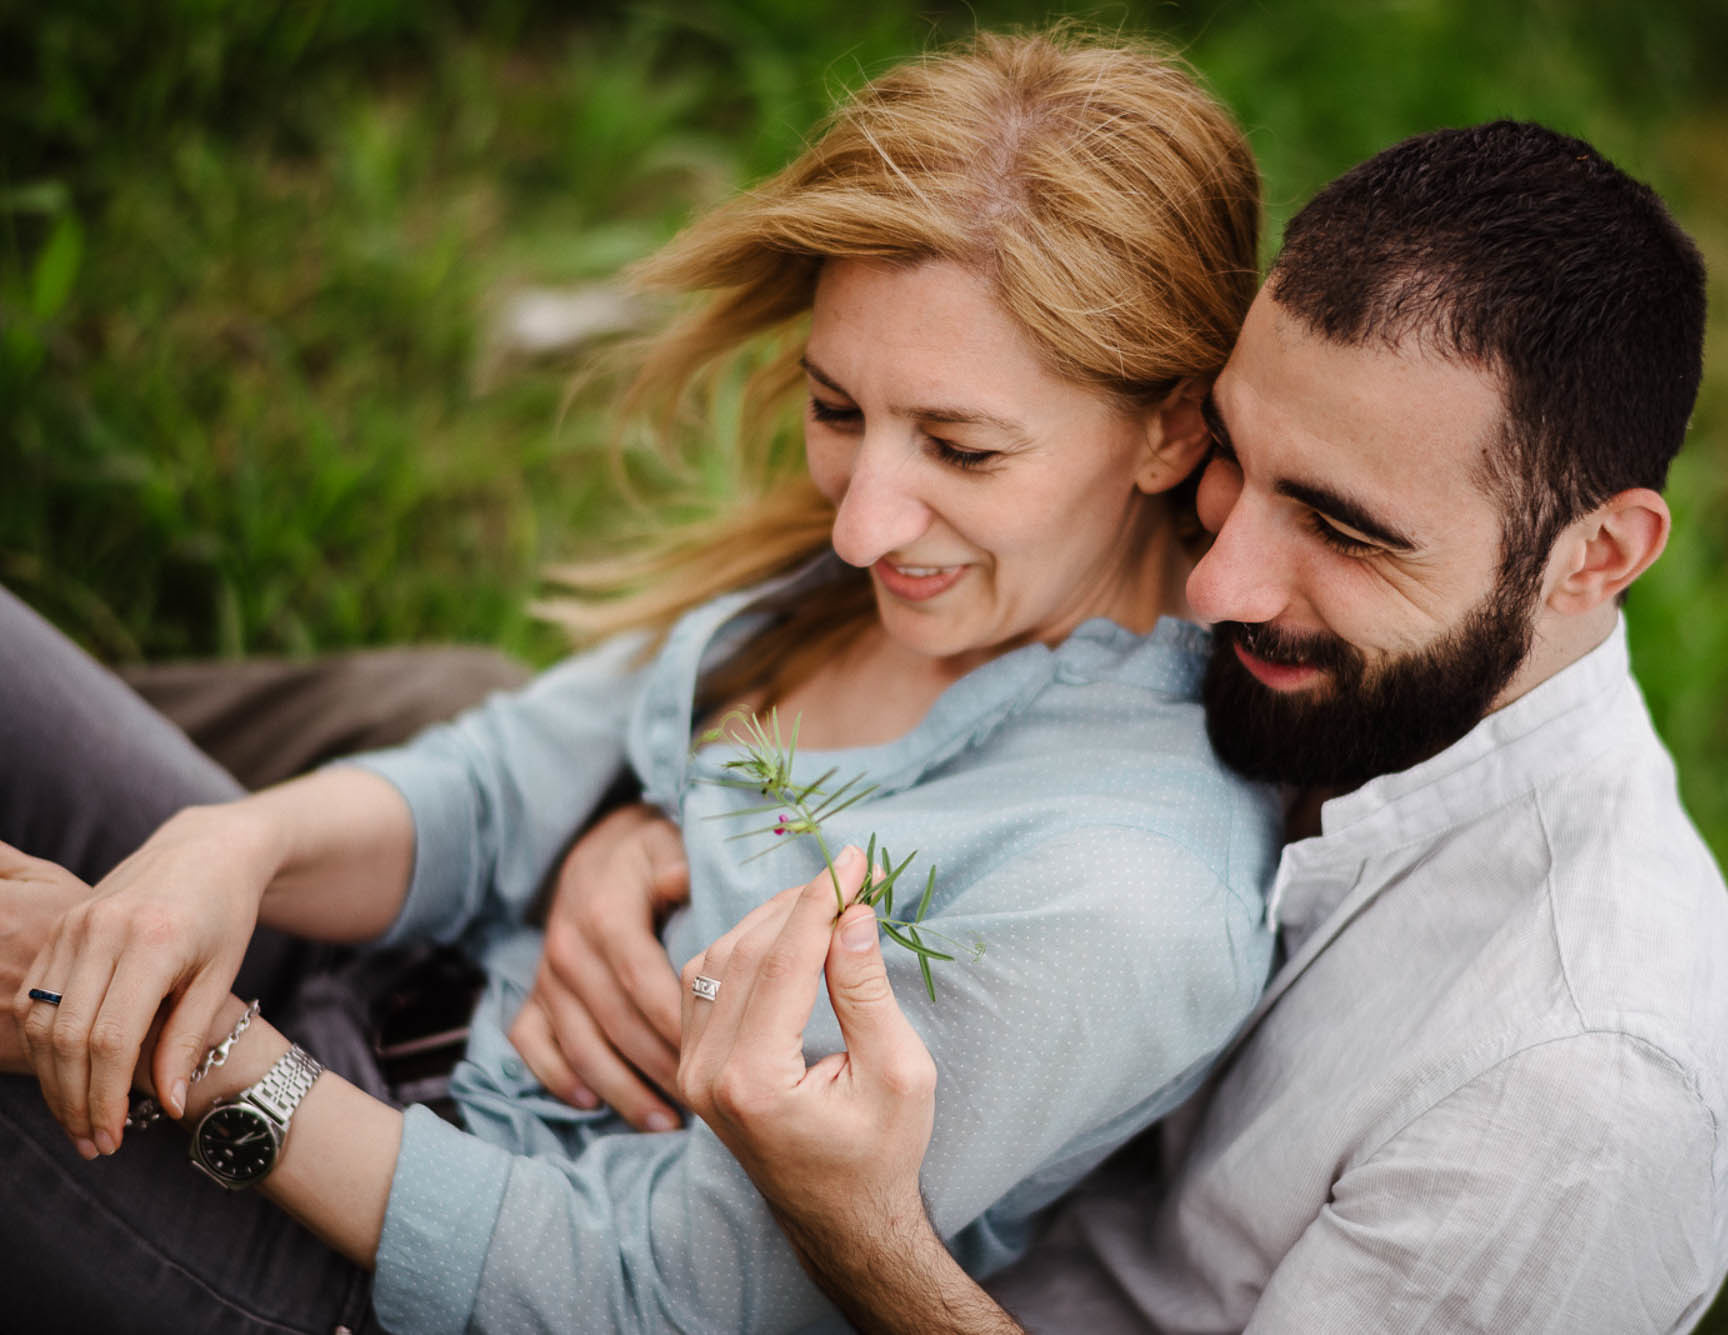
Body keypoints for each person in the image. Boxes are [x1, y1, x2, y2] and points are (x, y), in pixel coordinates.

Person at [0, 30, 1283, 1334]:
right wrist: (231, 847)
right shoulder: (910, 574)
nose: (858, 527)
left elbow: (650, 1294)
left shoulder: (1123, 894)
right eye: (836, 409)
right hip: (355, 989)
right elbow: (494, 789)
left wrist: (204, 1046)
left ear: (1169, 427)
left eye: (961, 449)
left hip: (378, 1273)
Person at [600, 122, 1728, 1333]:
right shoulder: (1294, 663)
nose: (1213, 585)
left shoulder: (1575, 1089)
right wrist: (642, 827)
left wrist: (859, 1234)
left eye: (1343, 531)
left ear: (1595, 556)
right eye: (1230, 454)